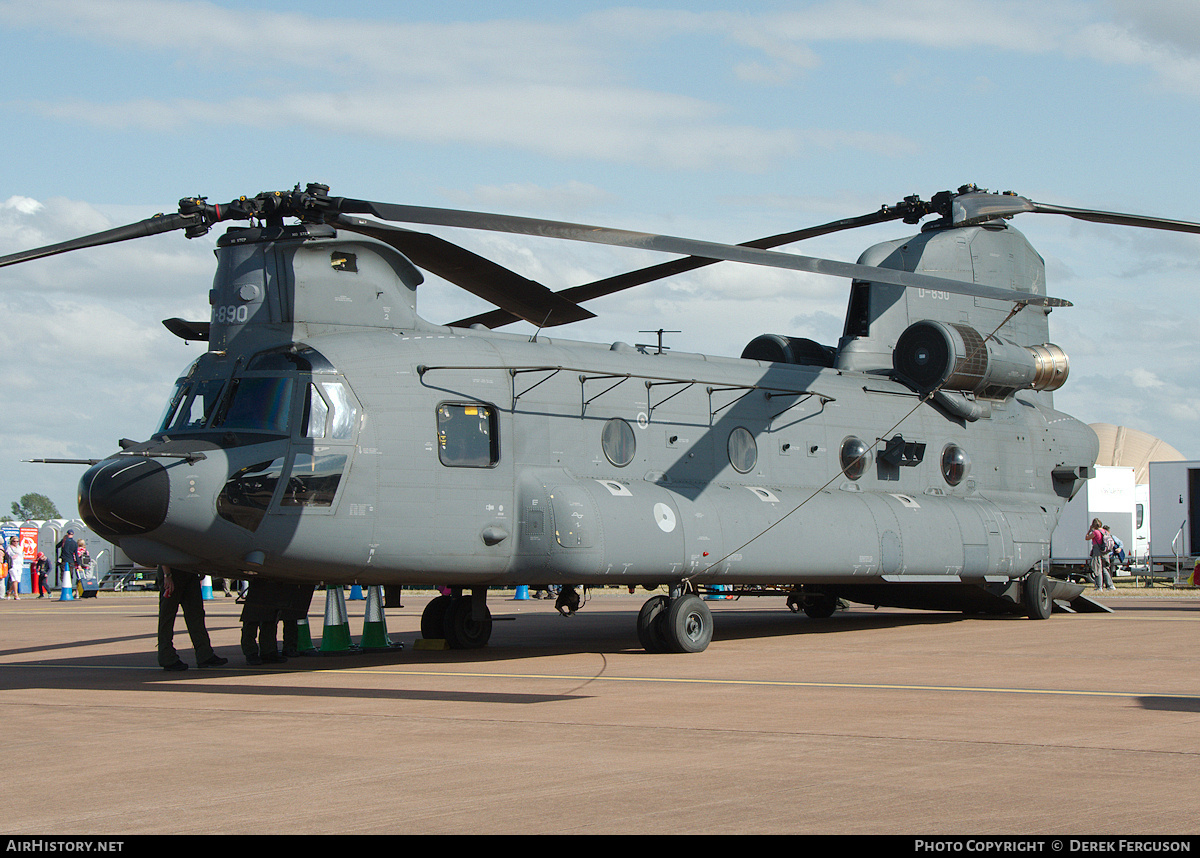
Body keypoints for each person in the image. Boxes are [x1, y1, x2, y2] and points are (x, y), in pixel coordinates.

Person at [157, 565, 227, 672]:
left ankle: (205, 654)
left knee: (196, 614)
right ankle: (167, 657)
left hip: (189, 571)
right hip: (172, 571)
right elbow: (162, 551)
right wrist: (167, 575)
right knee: (167, 617)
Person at [239, 579, 293, 665]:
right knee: (252, 620)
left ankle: (268, 651)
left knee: (270, 618)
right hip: (258, 581)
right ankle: (251, 653)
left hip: (272, 582)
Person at [1085, 518, 1107, 591]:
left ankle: (1099, 586)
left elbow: (1087, 538)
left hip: (1097, 551)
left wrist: (1089, 530)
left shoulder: (1095, 532)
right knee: (1104, 568)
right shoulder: (1104, 531)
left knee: (1097, 568)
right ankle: (1109, 585)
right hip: (1105, 551)